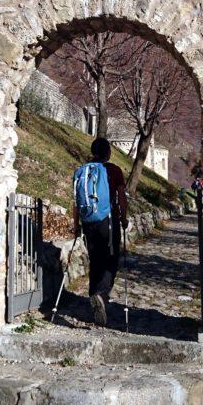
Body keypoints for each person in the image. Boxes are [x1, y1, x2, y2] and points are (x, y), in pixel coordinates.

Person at [74, 137, 128, 326]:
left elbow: (76, 201)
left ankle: (93, 298)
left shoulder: (82, 171)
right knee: (110, 260)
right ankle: (101, 295)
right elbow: (121, 196)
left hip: (88, 221)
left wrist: (76, 224)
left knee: (95, 259)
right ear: (108, 153)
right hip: (108, 220)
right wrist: (124, 217)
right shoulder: (112, 170)